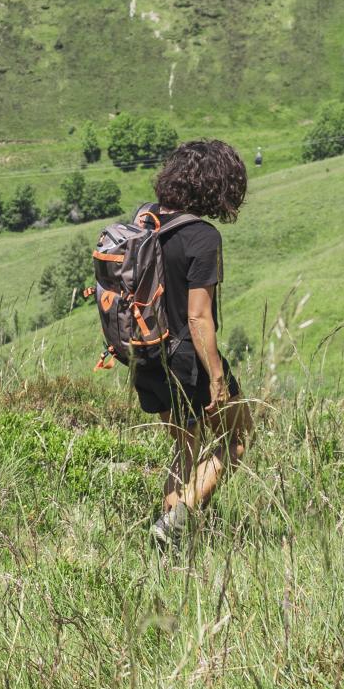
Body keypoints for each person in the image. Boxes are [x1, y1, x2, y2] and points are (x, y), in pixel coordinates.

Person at [128, 138, 250, 548]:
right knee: (238, 437)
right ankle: (177, 520)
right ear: (217, 187)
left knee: (186, 447)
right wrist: (217, 376)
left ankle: (168, 541)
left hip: (145, 354)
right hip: (186, 359)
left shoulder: (144, 221)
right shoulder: (202, 236)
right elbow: (199, 316)